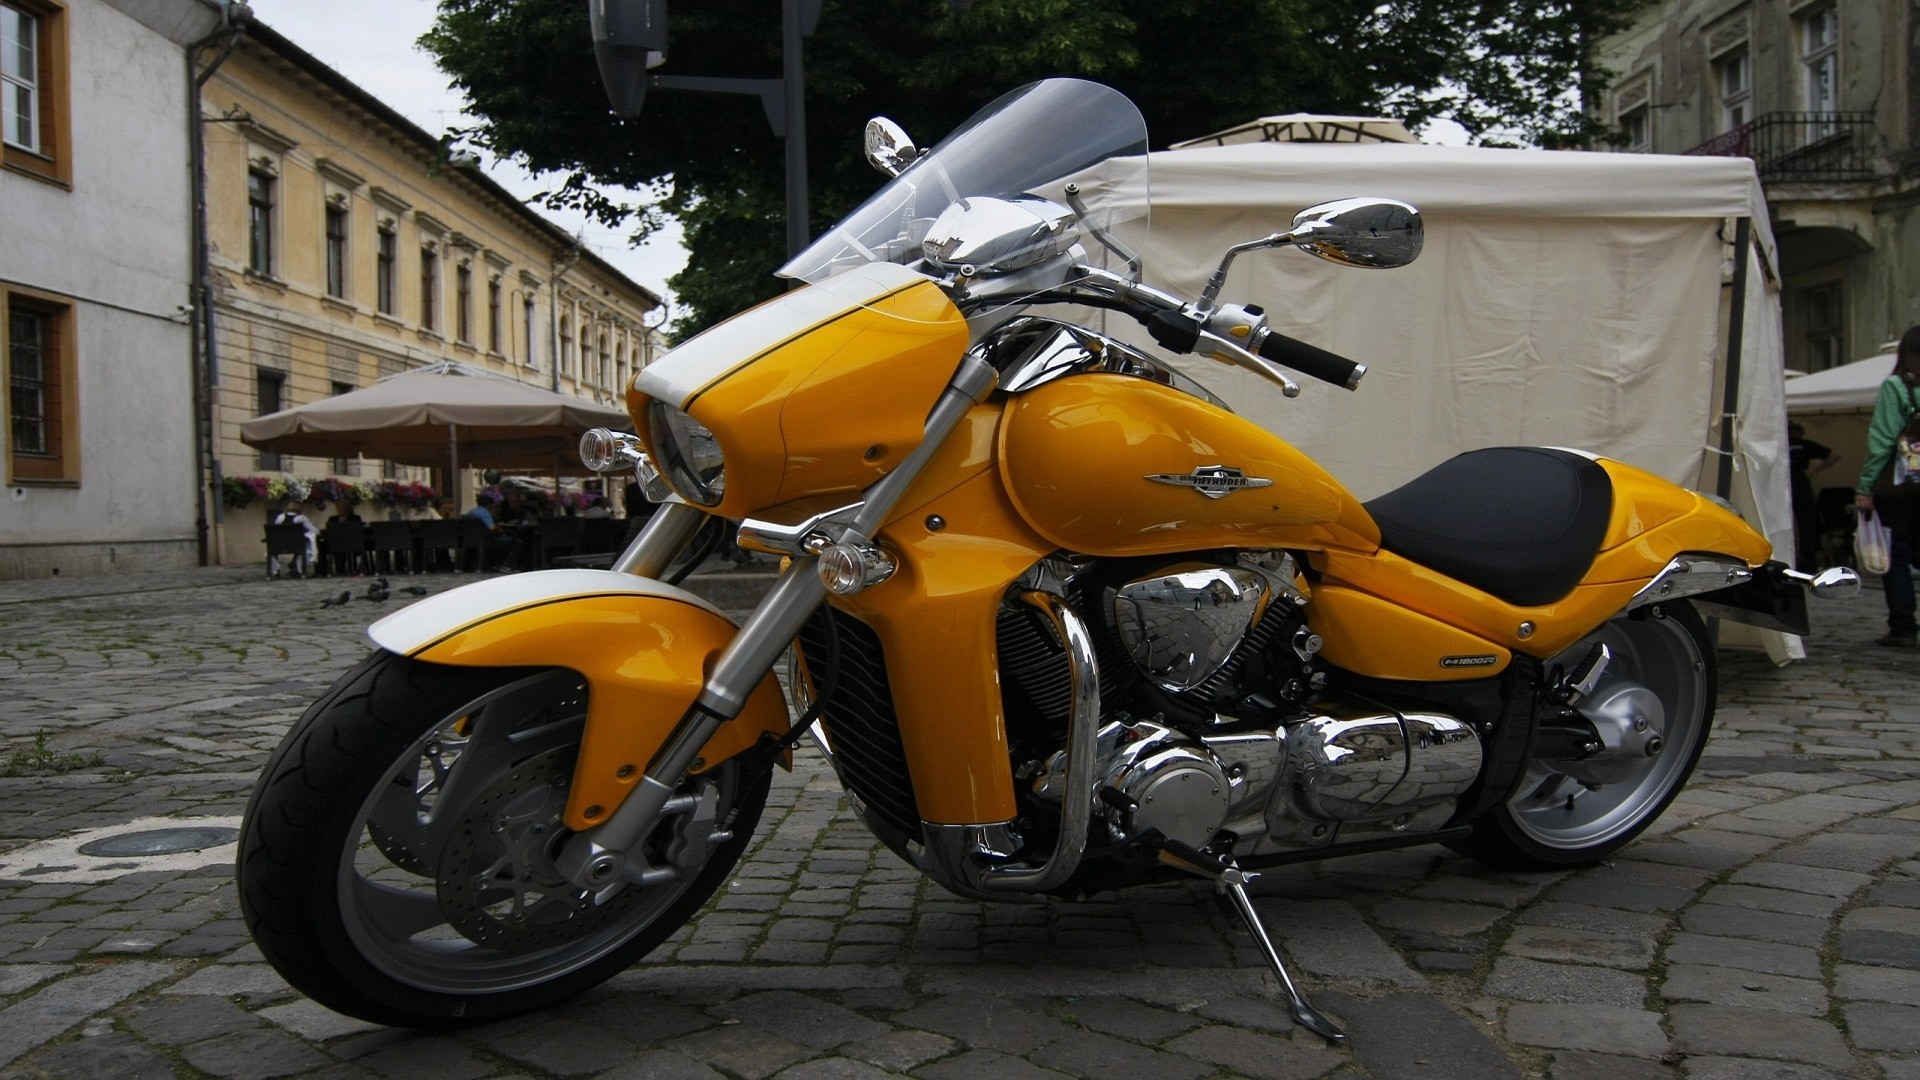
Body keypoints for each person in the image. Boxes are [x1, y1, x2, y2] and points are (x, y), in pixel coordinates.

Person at [1854, 325, 1920, 646]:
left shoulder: (1898, 387)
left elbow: (1882, 442)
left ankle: (1904, 626)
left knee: (1897, 555)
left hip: (1901, 487)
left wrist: (1865, 487)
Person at [1788, 421, 1838, 570]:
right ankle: (1808, 561)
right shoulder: (1805, 444)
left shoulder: (1781, 445)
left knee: (1802, 523)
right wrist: (1814, 470)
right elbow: (1834, 455)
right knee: (1806, 523)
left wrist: (1814, 470)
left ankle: (1802, 560)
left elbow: (1835, 455)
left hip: (1788, 482)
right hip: (1800, 482)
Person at [465, 493, 524, 572]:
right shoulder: (485, 513)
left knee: (504, 541)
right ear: (489, 505)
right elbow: (492, 528)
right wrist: (500, 529)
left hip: (472, 540)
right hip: (487, 540)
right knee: (517, 542)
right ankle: (506, 565)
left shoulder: (471, 512)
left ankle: (496, 564)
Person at [268, 500, 318, 579]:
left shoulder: (280, 517)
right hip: (296, 545)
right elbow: (314, 531)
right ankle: (299, 569)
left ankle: (275, 571)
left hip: (279, 545)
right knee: (306, 544)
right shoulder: (301, 518)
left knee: (272, 552)